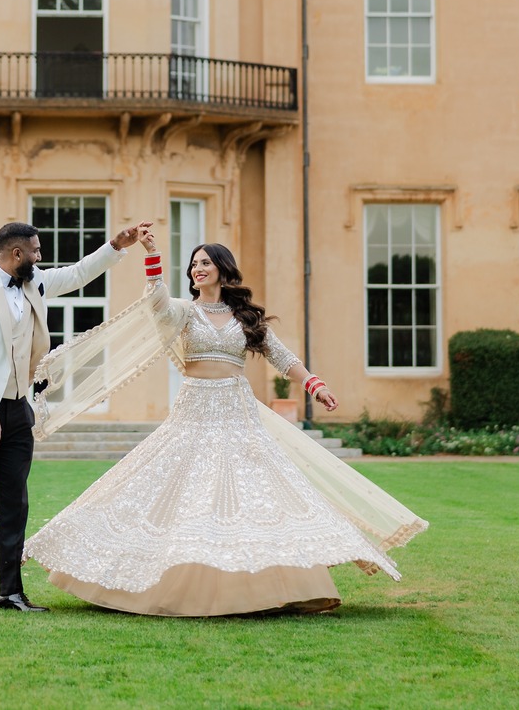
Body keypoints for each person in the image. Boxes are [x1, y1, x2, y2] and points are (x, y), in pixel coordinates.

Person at [24, 233, 426, 616]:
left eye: (206, 263)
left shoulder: (244, 317)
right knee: (180, 490)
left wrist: (315, 386)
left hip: (238, 413)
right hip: (195, 410)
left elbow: (282, 357)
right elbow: (157, 303)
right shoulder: (184, 310)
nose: (199, 269)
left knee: (257, 494)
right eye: (195, 264)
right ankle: (162, 582)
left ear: (222, 269)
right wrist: (151, 253)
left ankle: (276, 590)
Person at [0, 216, 147, 612]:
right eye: (35, 251)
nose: (40, 257)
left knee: (15, 504)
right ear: (16, 254)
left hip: (18, 412)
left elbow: (78, 274)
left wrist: (116, 245)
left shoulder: (35, 282)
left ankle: (10, 593)